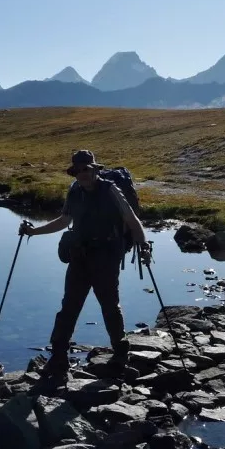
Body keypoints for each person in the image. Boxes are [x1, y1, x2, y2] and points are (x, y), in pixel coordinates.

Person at [19, 150, 150, 379]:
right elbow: (64, 220)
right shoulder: (74, 190)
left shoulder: (110, 190)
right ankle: (58, 358)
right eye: (77, 170)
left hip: (107, 257)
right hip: (79, 256)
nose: (82, 174)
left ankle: (120, 354)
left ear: (94, 169)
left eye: (86, 169)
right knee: (69, 307)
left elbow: (131, 220)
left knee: (109, 305)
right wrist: (33, 232)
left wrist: (144, 246)